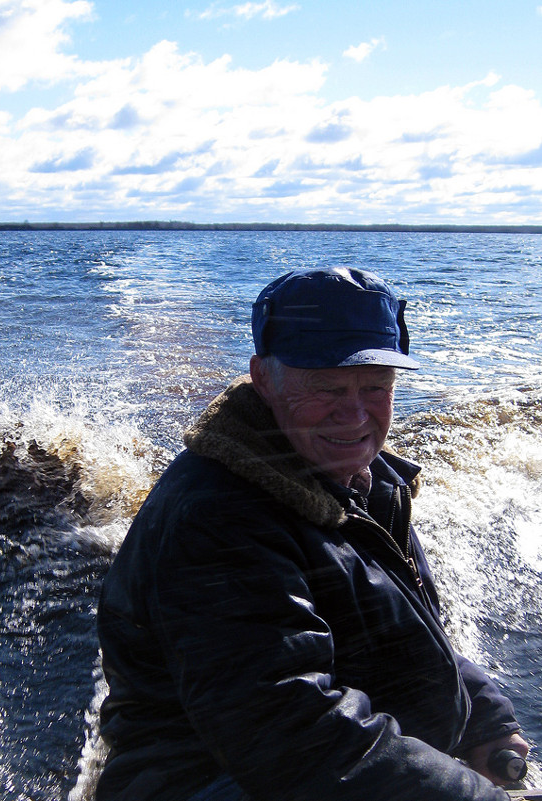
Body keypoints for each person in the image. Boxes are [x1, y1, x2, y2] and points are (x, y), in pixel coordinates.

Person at [96, 267, 528, 801]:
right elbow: (287, 730)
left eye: (376, 386)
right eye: (326, 386)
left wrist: (485, 719)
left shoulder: (365, 481)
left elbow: (405, 631)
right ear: (263, 378)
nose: (354, 413)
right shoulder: (216, 519)